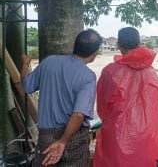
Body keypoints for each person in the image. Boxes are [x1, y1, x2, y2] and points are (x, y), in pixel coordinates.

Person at [20, 29, 102, 166]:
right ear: (94, 54)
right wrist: (63, 141)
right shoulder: (88, 76)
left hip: (47, 137)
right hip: (74, 139)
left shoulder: (49, 62)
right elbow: (78, 115)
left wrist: (25, 63)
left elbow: (27, 85)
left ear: (75, 46)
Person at [93, 27, 158, 167]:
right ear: (139, 44)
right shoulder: (151, 72)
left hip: (118, 135)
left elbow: (102, 109)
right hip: (150, 134)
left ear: (118, 45)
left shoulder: (110, 72)